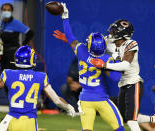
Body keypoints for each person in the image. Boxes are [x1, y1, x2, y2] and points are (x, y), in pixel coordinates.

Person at [0, 46, 75, 131]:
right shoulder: (41, 77)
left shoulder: (8, 74)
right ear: (31, 60)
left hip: (11, 120)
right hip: (30, 122)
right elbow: (56, 100)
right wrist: (69, 108)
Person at [53, 3, 124, 131]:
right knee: (119, 127)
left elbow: (71, 38)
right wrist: (117, 57)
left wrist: (65, 17)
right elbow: (115, 77)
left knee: (87, 129)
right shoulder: (105, 58)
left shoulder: (81, 50)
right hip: (101, 98)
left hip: (85, 99)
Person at [90, 19, 155, 130]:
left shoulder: (131, 44)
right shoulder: (111, 42)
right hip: (123, 84)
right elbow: (94, 42)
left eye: (114, 31)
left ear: (122, 33)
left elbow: (125, 65)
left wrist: (105, 65)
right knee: (125, 118)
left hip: (134, 83)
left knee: (131, 121)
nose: (111, 33)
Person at [0, 3, 34, 71]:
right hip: (3, 55)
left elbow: (30, 33)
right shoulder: (3, 23)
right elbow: (1, 40)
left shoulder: (15, 23)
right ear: (1, 11)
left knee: (12, 77)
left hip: (12, 55)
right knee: (4, 77)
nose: (6, 11)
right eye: (4, 9)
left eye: (8, 10)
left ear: (12, 12)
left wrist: (23, 45)